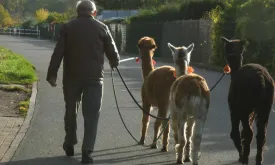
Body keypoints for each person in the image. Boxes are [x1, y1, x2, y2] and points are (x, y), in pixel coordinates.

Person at [46, 0, 120, 164]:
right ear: (93, 12)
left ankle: (69, 143)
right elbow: (113, 53)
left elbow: (58, 52)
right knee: (92, 115)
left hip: (71, 78)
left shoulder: (67, 27)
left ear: (77, 12)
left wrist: (52, 74)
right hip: (95, 78)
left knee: (71, 110)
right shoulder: (102, 27)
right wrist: (114, 62)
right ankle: (87, 151)